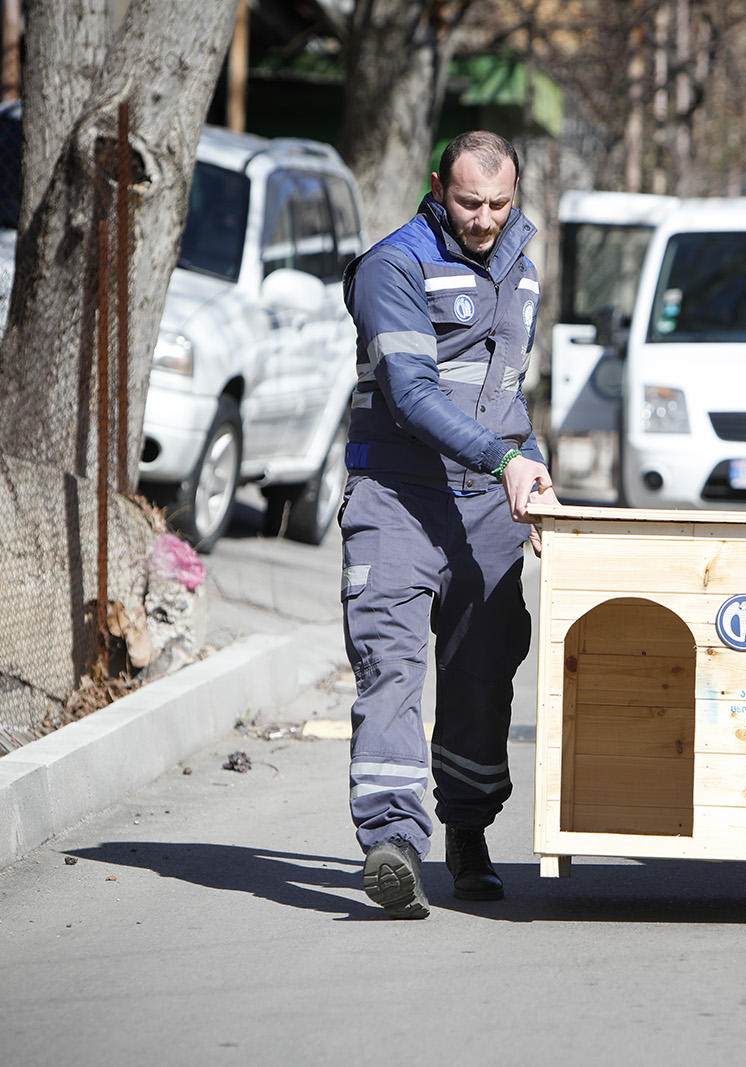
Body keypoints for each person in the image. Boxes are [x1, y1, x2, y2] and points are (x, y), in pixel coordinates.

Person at [339, 131, 556, 919]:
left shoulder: (522, 269)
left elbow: (505, 396)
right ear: (439, 186)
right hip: (396, 497)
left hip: (486, 509)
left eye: (500, 203)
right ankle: (394, 843)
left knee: (482, 674)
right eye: (469, 202)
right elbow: (411, 392)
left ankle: (467, 831)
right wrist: (507, 462)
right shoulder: (391, 266)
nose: (486, 218)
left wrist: (531, 467)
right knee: (389, 668)